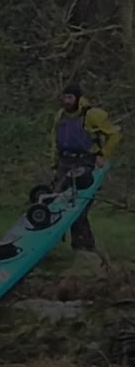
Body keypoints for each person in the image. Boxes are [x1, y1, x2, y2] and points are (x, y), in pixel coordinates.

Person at [50, 84, 120, 251]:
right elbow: (54, 140)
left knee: (78, 207)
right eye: (64, 97)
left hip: (85, 162)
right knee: (54, 203)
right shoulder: (60, 116)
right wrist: (54, 162)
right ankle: (47, 245)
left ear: (78, 99)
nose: (66, 101)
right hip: (64, 161)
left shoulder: (92, 115)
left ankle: (85, 248)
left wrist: (103, 155)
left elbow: (114, 135)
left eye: (70, 98)